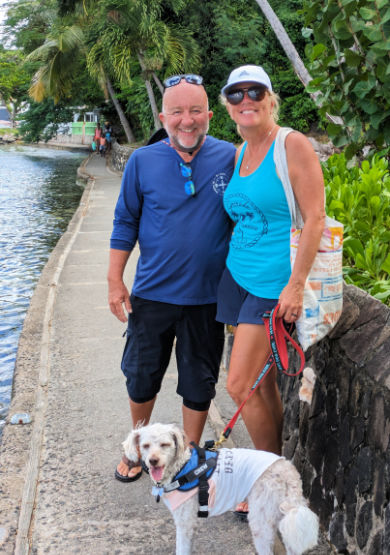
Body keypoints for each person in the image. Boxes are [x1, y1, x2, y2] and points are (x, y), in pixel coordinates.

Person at [108, 74, 236, 482]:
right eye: (177, 111)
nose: (187, 120)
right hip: (152, 294)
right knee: (142, 376)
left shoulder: (230, 157)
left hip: (208, 297)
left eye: (195, 111)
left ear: (209, 115)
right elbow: (124, 221)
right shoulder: (143, 162)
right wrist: (115, 280)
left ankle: (190, 455)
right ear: (163, 116)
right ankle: (139, 450)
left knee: (199, 382)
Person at [216, 65, 325, 515]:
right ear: (228, 105)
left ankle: (267, 482)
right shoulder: (241, 152)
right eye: (236, 94)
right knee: (261, 388)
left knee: (239, 384)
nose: (246, 100)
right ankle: (279, 472)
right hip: (236, 279)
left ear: (270, 98)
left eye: (255, 91)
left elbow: (315, 217)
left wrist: (295, 286)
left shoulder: (290, 144)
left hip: (272, 286)